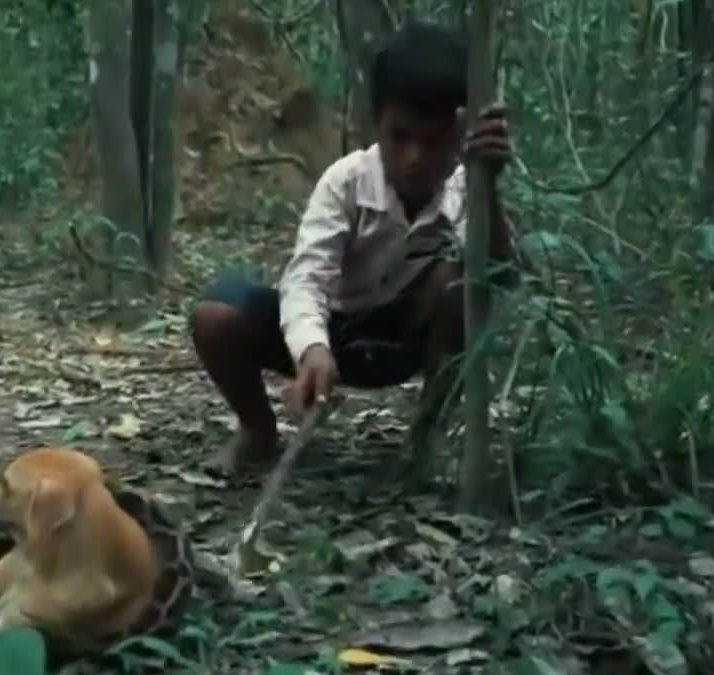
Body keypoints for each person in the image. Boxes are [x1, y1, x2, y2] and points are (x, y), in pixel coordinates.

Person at [190, 20, 522, 477]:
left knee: (460, 282)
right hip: (336, 332)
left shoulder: (468, 190)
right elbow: (308, 276)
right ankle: (258, 432)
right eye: (400, 137)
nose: (415, 157)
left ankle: (427, 437)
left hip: (408, 338)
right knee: (215, 316)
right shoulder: (345, 183)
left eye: (434, 141)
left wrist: (491, 187)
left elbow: (499, 279)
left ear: (460, 133)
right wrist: (310, 348)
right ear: (375, 126)